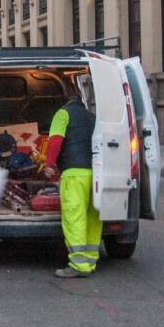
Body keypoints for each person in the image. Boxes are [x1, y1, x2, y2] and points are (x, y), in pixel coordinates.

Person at [43, 89, 99, 278]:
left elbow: (55, 141)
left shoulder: (62, 114)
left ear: (65, 102)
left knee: (74, 217)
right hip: (96, 174)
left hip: (74, 174)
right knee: (92, 217)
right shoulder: (92, 117)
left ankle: (77, 264)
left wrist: (49, 164)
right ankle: (90, 261)